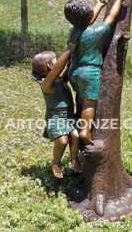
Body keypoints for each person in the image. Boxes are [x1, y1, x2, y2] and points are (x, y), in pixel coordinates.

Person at [64, 0, 132, 145]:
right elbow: (111, 18)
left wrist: (99, 5)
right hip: (90, 73)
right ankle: (85, 131)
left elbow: (86, 22)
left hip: (74, 72)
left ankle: (77, 125)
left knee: (80, 99)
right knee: (89, 103)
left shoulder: (72, 32)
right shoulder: (97, 32)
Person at [31, 37, 80, 179]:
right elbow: (59, 68)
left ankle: (74, 159)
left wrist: (70, 62)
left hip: (69, 116)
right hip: (56, 117)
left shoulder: (57, 81)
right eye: (55, 60)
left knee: (75, 136)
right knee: (62, 140)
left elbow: (63, 75)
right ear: (50, 66)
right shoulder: (46, 84)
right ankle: (56, 162)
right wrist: (68, 52)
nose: (58, 61)